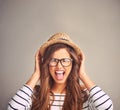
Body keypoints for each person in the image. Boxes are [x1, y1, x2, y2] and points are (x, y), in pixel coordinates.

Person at [8, 33, 113, 110]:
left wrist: (83, 75)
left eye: (65, 60)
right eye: (53, 60)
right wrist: (36, 74)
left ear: (73, 64)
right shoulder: (34, 95)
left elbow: (107, 107)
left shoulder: (84, 96)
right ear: (46, 64)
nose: (59, 66)